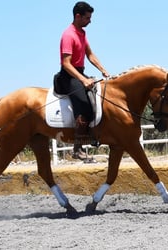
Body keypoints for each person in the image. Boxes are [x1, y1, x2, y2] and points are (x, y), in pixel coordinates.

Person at [54, 1, 109, 160]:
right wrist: (83, 80)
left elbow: (90, 55)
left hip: (79, 73)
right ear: (78, 16)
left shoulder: (82, 33)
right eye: (87, 18)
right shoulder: (68, 34)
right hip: (68, 75)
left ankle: (94, 136)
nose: (90, 21)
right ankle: (77, 148)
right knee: (84, 105)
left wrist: (102, 69)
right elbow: (66, 63)